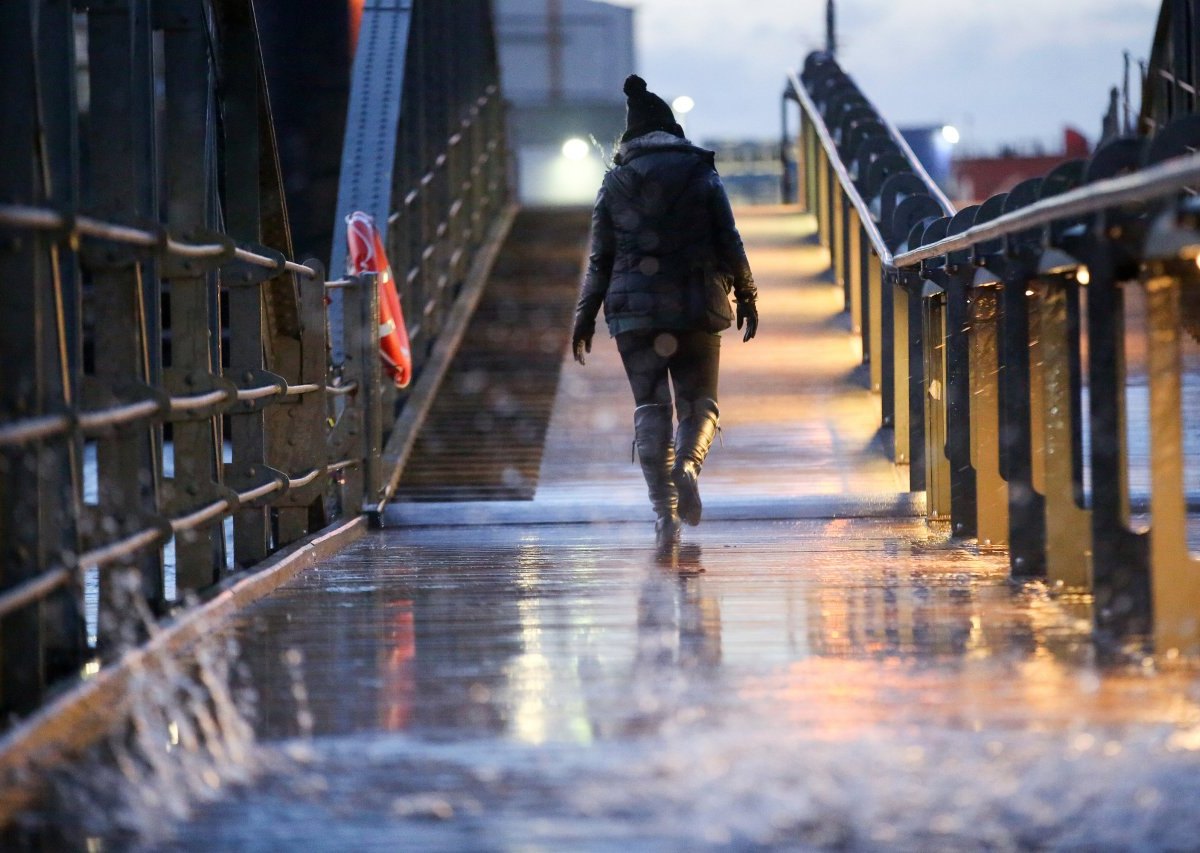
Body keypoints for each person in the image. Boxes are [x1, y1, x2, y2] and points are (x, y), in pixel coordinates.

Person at [571, 74, 758, 550]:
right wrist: (747, 295)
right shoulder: (700, 173)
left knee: (651, 406)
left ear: (631, 138)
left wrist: (585, 315)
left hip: (634, 315)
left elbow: (600, 259)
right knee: (700, 403)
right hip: (696, 305)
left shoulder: (614, 182)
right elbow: (729, 240)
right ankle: (689, 466)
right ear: (673, 132)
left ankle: (665, 516)